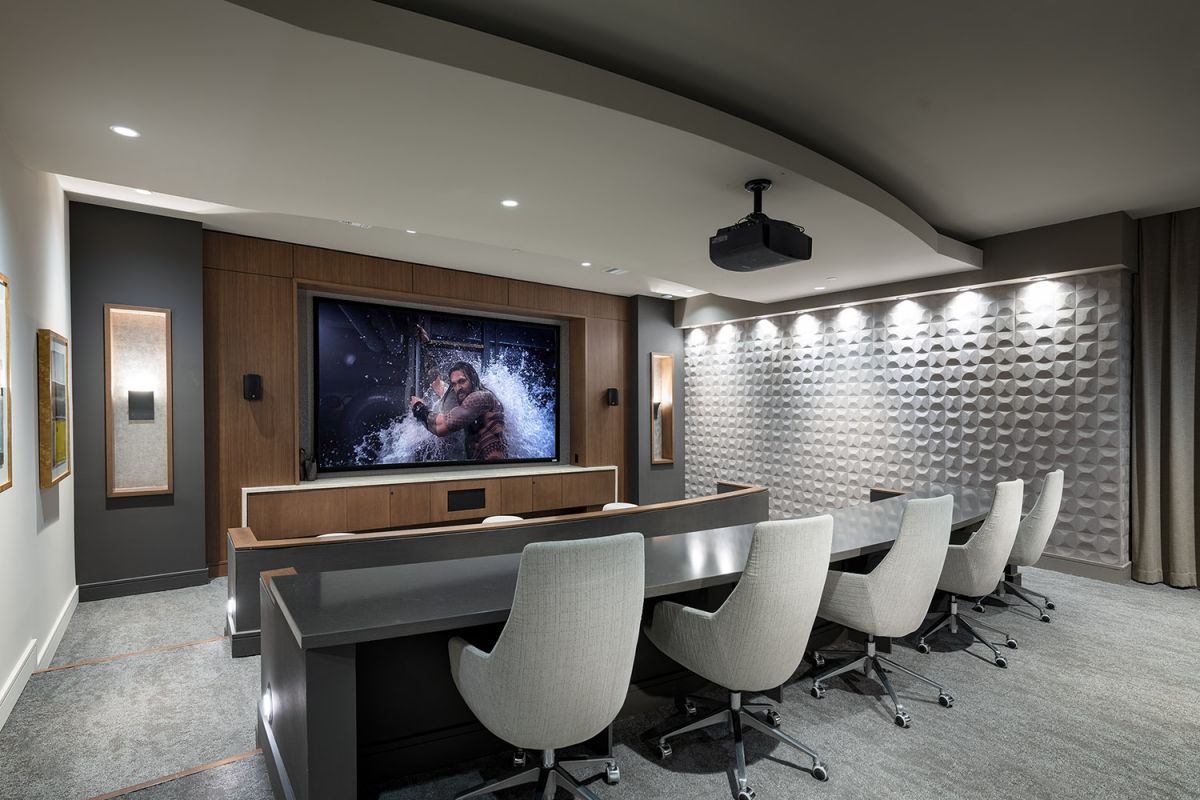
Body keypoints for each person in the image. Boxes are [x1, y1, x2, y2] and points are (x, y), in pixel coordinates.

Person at [410, 361, 507, 460]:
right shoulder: (472, 403)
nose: (458, 388)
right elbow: (460, 409)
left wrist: (418, 407)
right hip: (481, 469)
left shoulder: (481, 397)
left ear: (473, 380)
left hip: (492, 470)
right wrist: (442, 392)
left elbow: (440, 426)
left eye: (462, 381)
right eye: (454, 384)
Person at [421, 364, 465, 461]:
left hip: (455, 440)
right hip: (441, 439)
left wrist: (419, 409)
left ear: (439, 376)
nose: (432, 383)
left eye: (434, 378)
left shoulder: (450, 390)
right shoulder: (429, 392)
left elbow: (443, 424)